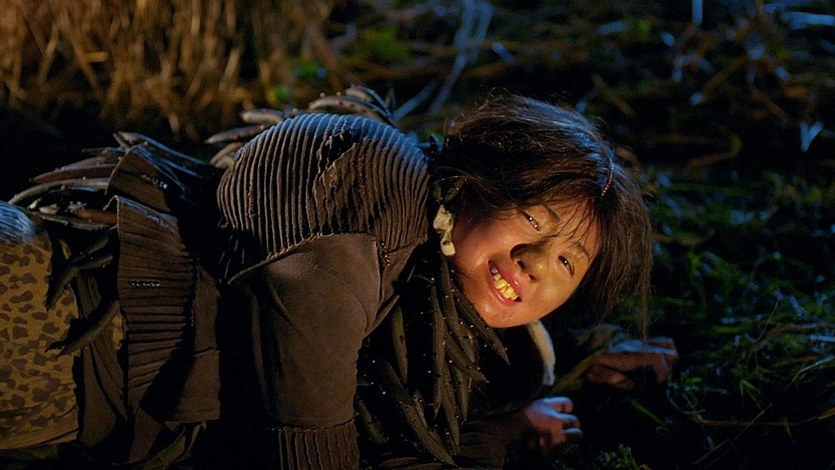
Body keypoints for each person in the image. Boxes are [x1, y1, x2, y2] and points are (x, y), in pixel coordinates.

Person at [0, 87, 676, 469]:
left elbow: (395, 420)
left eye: (567, 262)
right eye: (530, 217)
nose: (536, 262)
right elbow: (308, 431)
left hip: (56, 415)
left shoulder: (438, 302)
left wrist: (556, 381)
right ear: (481, 181)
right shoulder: (373, 182)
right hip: (35, 314)